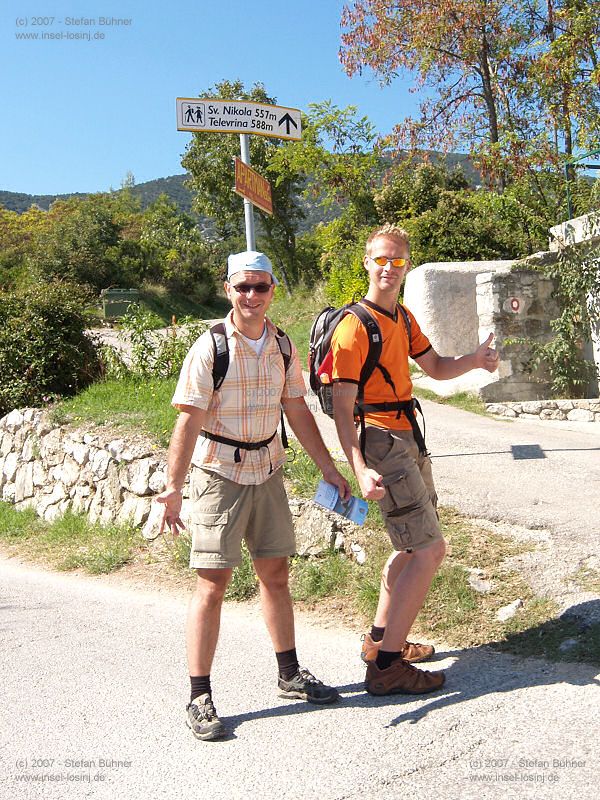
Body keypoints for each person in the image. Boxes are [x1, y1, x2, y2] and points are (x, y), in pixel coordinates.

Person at [156, 250, 350, 741]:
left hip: (267, 469)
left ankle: (289, 674)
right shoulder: (210, 348)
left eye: (260, 287)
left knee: (276, 575)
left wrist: (329, 467)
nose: (251, 296)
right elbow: (188, 420)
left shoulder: (282, 344)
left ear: (271, 292)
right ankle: (199, 695)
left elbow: (298, 411)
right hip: (218, 475)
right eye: (243, 287)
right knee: (212, 586)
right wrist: (172, 489)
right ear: (228, 290)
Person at [331, 223, 499, 696]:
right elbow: (343, 409)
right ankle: (386, 668)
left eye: (398, 261)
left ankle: (381, 641)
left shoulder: (402, 319)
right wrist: (358, 467)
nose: (388, 268)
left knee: (411, 546)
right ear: (366, 262)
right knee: (429, 550)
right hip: (382, 441)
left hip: (409, 437)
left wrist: (476, 359)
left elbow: (438, 367)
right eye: (380, 259)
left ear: (406, 266)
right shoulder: (353, 327)